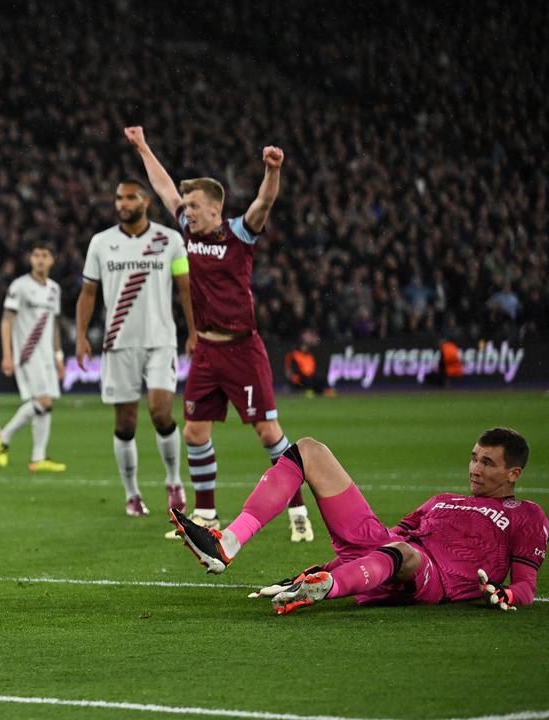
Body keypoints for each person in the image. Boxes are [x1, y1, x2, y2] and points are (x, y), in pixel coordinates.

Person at [124, 125, 312, 543]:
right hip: (207, 350)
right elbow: (164, 186)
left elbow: (264, 202)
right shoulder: (189, 232)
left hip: (243, 350)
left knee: (267, 433)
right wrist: (142, 146)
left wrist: (272, 169)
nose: (185, 210)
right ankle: (206, 513)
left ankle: (298, 509)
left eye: (192, 205)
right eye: (185, 206)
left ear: (214, 208)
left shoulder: (239, 233)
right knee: (194, 431)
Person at [170, 428, 546, 614]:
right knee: (309, 450)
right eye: (474, 458)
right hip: (392, 556)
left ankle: (328, 587)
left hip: (434, 578)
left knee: (402, 552)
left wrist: (507, 594)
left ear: (514, 473)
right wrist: (313, 569)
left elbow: (526, 586)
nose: (475, 469)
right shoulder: (443, 501)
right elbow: (388, 540)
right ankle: (228, 543)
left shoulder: (527, 514)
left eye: (487, 462)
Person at [76, 179, 195, 517]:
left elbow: (186, 289)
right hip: (118, 342)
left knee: (161, 411)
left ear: (146, 201)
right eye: (118, 197)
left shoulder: (170, 241)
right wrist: (81, 335)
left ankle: (173, 481)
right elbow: (88, 292)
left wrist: (193, 331)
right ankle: (132, 493)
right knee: (125, 422)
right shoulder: (101, 243)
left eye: (130, 197)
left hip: (161, 340)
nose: (122, 203)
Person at [0, 243, 67, 473]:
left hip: (46, 355)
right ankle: (3, 437)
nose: (40, 260)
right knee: (43, 402)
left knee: (47, 406)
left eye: (45, 255)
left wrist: (59, 356)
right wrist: (7, 354)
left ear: (52, 260)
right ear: (30, 259)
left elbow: (53, 326)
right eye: (36, 255)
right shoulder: (20, 286)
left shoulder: (54, 289)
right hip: (27, 353)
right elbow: (7, 320)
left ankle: (38, 458)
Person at [284, 328, 333, 397]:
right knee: (306, 379)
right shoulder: (293, 354)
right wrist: (293, 378)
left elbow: (312, 370)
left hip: (308, 379)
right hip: (298, 380)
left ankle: (326, 390)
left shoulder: (309, 355)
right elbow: (291, 372)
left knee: (319, 377)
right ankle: (308, 391)